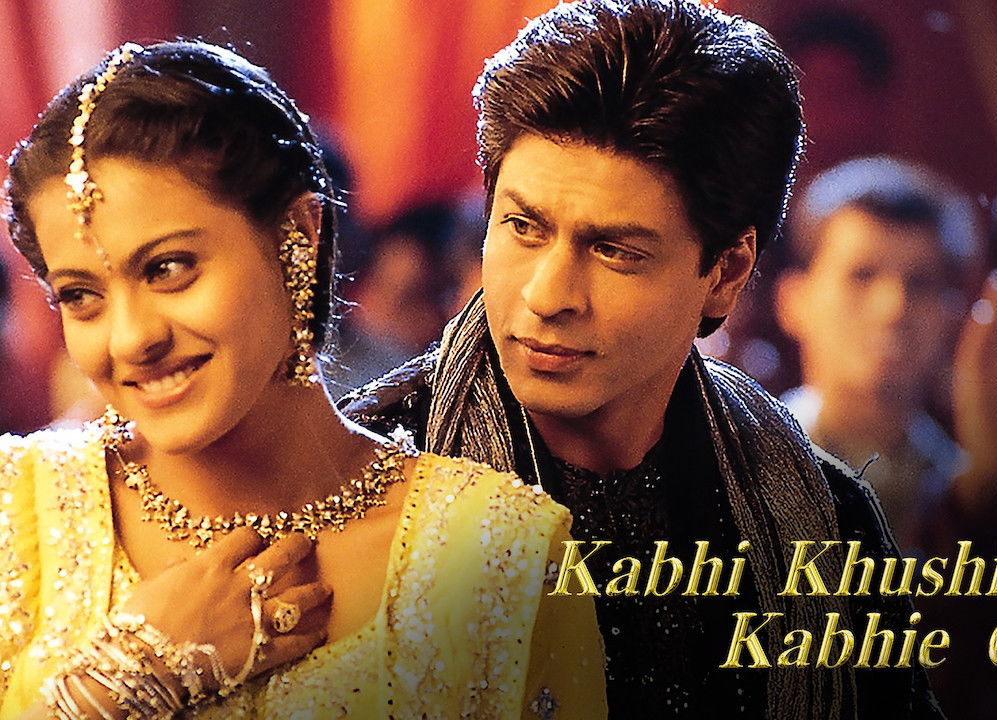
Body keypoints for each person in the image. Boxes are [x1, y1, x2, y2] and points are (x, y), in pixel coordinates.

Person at [342, 1, 942, 717]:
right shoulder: (355, 475)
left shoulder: (825, 518)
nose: (547, 296)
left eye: (614, 251)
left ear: (726, 272)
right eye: (524, 227)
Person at [0, 40, 604, 719]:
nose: (131, 338)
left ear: (300, 234)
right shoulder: (16, 510)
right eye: (81, 296)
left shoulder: (502, 550)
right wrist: (124, 680)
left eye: (168, 268)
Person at [775, 157, 981, 553]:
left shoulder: (973, 500)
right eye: (862, 275)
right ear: (793, 300)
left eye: (920, 283)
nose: (893, 308)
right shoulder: (732, 472)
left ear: (952, 316)